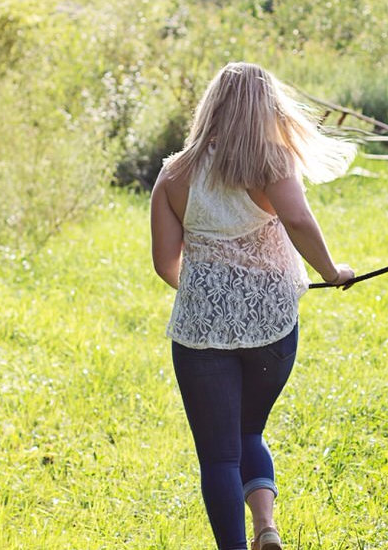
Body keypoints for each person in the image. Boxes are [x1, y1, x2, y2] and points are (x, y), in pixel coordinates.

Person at [149, 62, 357, 550]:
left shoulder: (174, 174)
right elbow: (300, 222)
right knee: (250, 430)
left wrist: (209, 294)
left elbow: (165, 263)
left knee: (219, 457)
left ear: (212, 107)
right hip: (271, 326)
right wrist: (332, 272)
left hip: (199, 333)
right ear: (266, 108)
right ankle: (266, 528)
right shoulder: (272, 163)